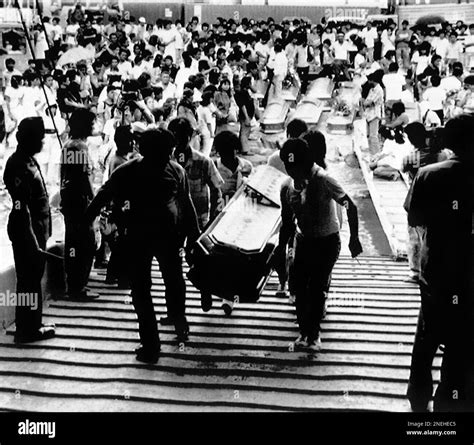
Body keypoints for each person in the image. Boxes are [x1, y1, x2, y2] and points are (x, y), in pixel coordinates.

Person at [85, 128, 201, 363]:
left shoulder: (167, 170)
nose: (166, 156)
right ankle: (157, 338)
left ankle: (170, 327)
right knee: (149, 287)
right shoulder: (140, 170)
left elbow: (186, 205)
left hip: (158, 236)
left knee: (164, 283)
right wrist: (86, 221)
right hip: (144, 237)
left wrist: (193, 238)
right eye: (163, 152)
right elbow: (105, 194)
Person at [404, 114, 472, 412]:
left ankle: (419, 406)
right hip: (469, 279)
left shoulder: (429, 174)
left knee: (425, 345)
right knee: (461, 347)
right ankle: (450, 405)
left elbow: (414, 217)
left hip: (436, 273)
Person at [276, 138, 363, 351]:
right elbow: (287, 221)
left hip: (327, 241)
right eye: (288, 166)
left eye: (294, 166)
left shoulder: (324, 180)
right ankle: (304, 331)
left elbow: (349, 206)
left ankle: (314, 334)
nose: (290, 170)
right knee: (297, 287)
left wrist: (354, 238)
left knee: (316, 288)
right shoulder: (287, 187)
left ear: (306, 163)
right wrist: (280, 248)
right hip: (303, 240)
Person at [3, 117, 56, 343]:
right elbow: (21, 206)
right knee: (28, 280)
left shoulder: (29, 160)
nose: (44, 142)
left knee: (32, 279)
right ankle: (27, 330)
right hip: (27, 231)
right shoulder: (18, 165)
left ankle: (31, 323)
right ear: (30, 139)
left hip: (36, 229)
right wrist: (32, 240)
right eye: (41, 138)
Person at [168, 117, 224, 314]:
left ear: (190, 136)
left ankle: (205, 288)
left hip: (199, 220)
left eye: (183, 136)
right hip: (172, 222)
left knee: (199, 259)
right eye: (175, 136)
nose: (179, 140)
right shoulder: (166, 162)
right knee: (172, 268)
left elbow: (217, 188)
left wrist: (216, 214)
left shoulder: (203, 161)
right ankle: (174, 312)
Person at [60, 109, 99, 301]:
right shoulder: (78, 148)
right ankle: (77, 286)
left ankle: (76, 284)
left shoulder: (72, 145)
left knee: (76, 243)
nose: (94, 126)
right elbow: (81, 178)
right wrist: (94, 200)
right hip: (79, 202)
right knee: (83, 243)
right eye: (91, 123)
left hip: (71, 202)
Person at [402, 122, 449, 283]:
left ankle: (415, 272)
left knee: (414, 237)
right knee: (432, 237)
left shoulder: (411, 157)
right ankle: (431, 270)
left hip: (417, 198)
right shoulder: (443, 156)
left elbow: (403, 168)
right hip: (438, 200)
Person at [213, 130, 253, 315]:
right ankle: (220, 293)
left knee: (234, 257)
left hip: (239, 218)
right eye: (225, 153)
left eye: (233, 151)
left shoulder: (247, 167)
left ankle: (228, 296)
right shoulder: (213, 167)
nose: (230, 156)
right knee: (219, 257)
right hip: (219, 219)